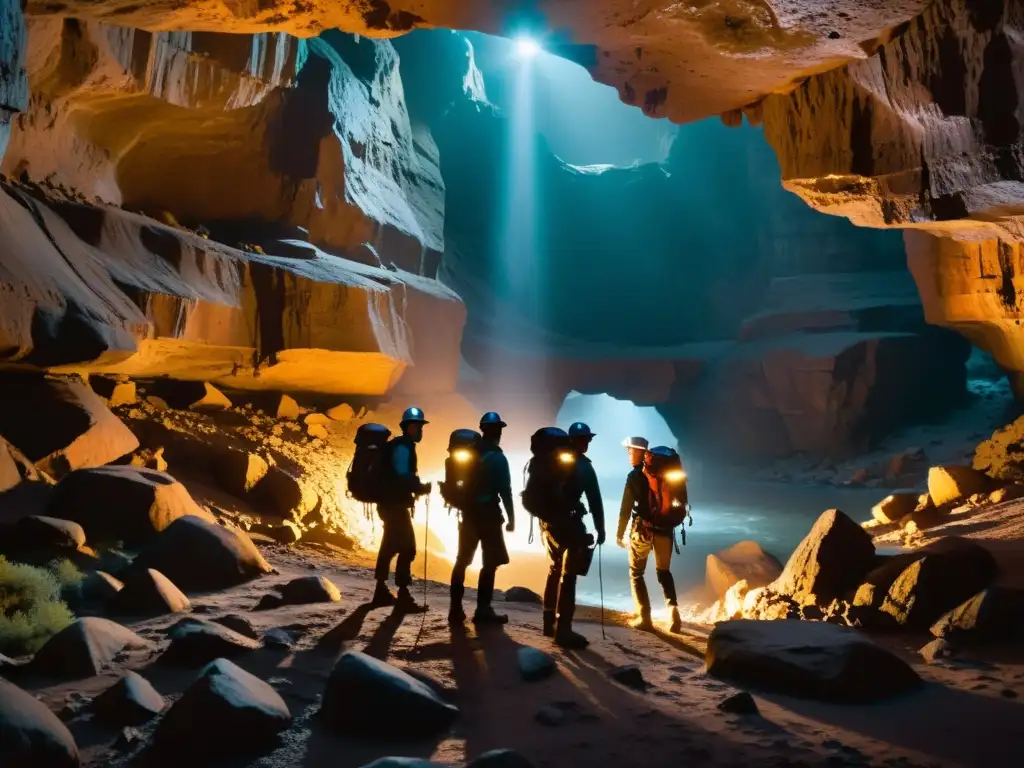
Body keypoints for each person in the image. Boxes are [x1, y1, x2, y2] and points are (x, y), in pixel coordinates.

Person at [540, 421, 605, 649]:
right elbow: (595, 500)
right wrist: (600, 528)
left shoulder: (551, 461)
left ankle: (549, 623)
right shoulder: (584, 467)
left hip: (548, 523)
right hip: (567, 524)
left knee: (555, 567)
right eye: (585, 439)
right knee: (569, 575)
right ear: (577, 440)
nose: (587, 442)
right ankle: (564, 629)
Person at [449, 411, 515, 626]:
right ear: (497, 431)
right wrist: (511, 517)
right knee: (489, 563)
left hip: (468, 514)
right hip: (488, 515)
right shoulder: (497, 457)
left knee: (462, 560)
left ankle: (455, 609)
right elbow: (505, 490)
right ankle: (483, 610)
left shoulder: (468, 453)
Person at [617, 440, 683, 633]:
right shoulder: (665, 472)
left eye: (629, 450)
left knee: (636, 573)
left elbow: (625, 508)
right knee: (664, 572)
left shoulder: (634, 476)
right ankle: (674, 614)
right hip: (665, 529)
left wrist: (619, 534)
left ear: (637, 453)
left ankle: (644, 617)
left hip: (642, 529)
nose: (628, 454)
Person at [372, 406, 431, 612]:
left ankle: (380, 591)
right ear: (409, 427)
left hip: (388, 504)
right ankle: (403, 596)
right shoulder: (403, 447)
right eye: (418, 427)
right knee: (408, 547)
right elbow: (402, 476)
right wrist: (421, 487)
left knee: (389, 546)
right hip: (395, 505)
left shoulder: (398, 446)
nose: (421, 431)